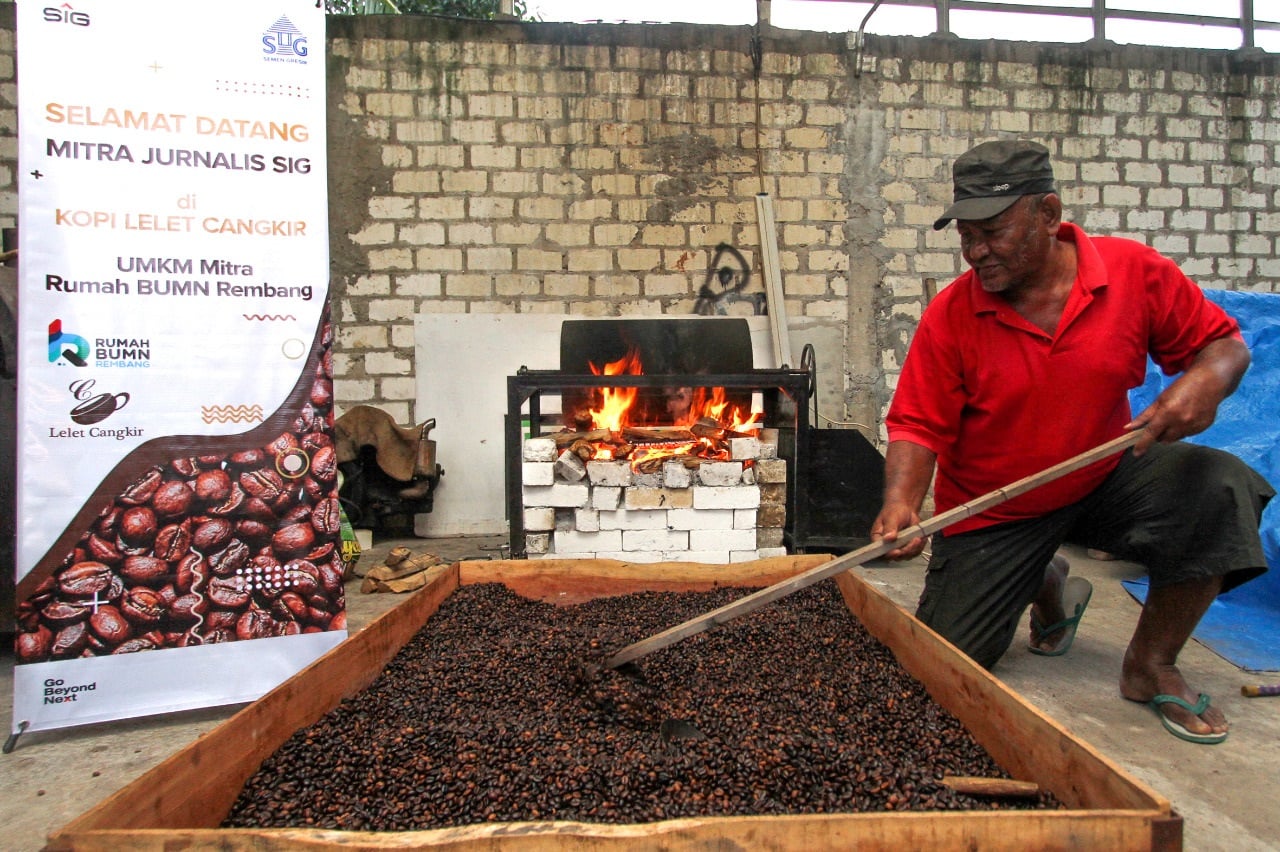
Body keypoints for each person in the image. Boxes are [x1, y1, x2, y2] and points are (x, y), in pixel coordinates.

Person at [871, 140, 1274, 745]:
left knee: (1220, 485)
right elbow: (919, 423)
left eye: (993, 231)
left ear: (1049, 214)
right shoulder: (953, 314)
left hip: (1104, 474)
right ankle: (1047, 579)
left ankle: (1151, 664)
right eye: (966, 236)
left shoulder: (1133, 272)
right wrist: (901, 501)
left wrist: (1205, 385)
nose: (976, 251)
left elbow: (1225, 346)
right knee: (946, 662)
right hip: (995, 505)